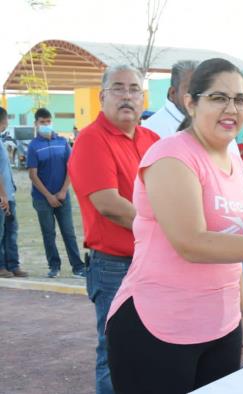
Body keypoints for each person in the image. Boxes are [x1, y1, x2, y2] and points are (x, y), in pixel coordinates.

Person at [104, 58, 243, 393]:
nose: (231, 108)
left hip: (221, 327)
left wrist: (241, 312)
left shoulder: (232, 156)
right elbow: (192, 243)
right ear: (191, 101)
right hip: (157, 326)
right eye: (218, 98)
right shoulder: (171, 156)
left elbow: (233, 242)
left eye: (240, 99)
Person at [68, 64, 160, 394]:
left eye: (134, 89)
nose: (127, 96)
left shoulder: (153, 140)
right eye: (118, 88)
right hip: (114, 267)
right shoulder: (91, 140)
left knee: (154, 350)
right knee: (116, 355)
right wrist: (166, 230)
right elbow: (108, 204)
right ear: (102, 96)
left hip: (155, 261)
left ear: (143, 97)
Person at [27, 108, 85, 278]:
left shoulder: (63, 142)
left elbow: (71, 168)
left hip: (62, 197)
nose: (45, 125)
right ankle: (54, 266)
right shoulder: (33, 146)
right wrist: (49, 196)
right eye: (42, 122)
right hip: (42, 199)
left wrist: (62, 191)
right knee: (48, 233)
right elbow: (33, 174)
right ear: (36, 124)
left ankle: (78, 267)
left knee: (68, 232)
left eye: (48, 121)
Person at [0, 106, 27, 278]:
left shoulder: (2, 142)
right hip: (3, 196)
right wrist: (3, 196)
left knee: (11, 232)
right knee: (1, 233)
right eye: (6, 120)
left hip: (9, 194)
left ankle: (13, 264)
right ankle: (1, 266)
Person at [142, 60, 197, 138]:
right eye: (190, 88)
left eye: (202, 87)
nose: (197, 93)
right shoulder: (152, 131)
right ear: (173, 93)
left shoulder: (202, 122)